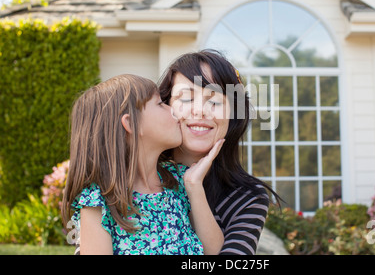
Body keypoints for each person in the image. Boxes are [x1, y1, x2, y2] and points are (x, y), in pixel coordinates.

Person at [61, 74, 224, 255]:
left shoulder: (178, 181)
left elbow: (215, 252)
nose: (173, 110)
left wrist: (194, 186)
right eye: (160, 104)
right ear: (131, 123)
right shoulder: (99, 201)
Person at [159, 50, 281, 255]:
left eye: (215, 101)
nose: (200, 110)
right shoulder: (135, 177)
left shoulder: (247, 198)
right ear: (165, 106)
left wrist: (194, 188)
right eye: (186, 98)